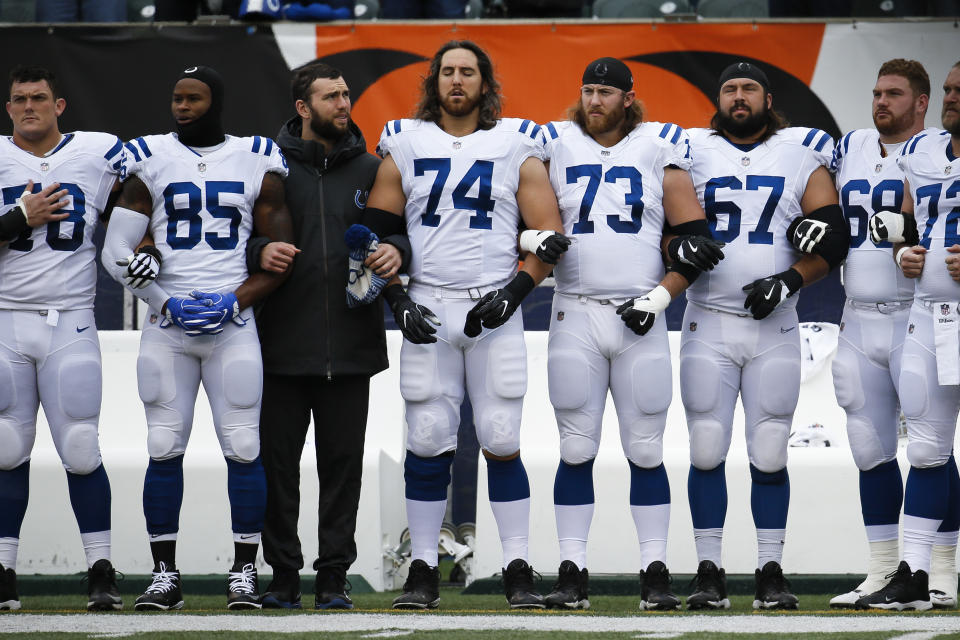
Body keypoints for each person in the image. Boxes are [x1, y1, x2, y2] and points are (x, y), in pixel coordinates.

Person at [362, 39, 567, 610]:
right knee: (426, 438)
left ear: (485, 82)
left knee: (502, 438)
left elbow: (548, 236)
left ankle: (517, 566)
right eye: (448, 71)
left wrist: (517, 294)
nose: (457, 81)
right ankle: (423, 567)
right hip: (428, 302)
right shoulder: (404, 143)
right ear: (434, 81)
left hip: (492, 305)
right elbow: (374, 235)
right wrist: (397, 300)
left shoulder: (516, 144)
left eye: (468, 72)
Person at [101, 65, 295, 611]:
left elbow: (281, 253)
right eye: (177, 98)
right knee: (163, 446)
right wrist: (165, 302)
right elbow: (115, 253)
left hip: (232, 322)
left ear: (216, 101)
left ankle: (243, 572)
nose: (182, 107)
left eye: (194, 98)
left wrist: (236, 299)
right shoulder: (150, 159)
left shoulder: (256, 158)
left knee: (244, 446)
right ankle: (164, 574)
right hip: (168, 325)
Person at [537, 57, 723, 611]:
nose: (595, 101)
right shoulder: (553, 142)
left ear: (628, 96)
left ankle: (655, 572)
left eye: (605, 92)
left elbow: (697, 242)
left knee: (645, 450)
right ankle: (572, 573)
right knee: (575, 448)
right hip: (574, 309)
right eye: (587, 90)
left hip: (638, 312)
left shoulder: (660, 145)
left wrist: (660, 295)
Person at [681, 61, 848, 610]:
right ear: (719, 98)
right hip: (708, 317)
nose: (738, 96)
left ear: (768, 98)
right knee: (706, 449)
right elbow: (669, 228)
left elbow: (832, 239)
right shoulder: (690, 150)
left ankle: (770, 571)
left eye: (748, 88)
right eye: (728, 88)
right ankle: (709, 570)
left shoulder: (801, 150)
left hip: (774, 323)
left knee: (771, 450)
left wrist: (790, 277)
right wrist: (678, 252)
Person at [244, 61, 408, 610]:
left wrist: (397, 251)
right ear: (302, 107)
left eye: (346, 95)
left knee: (343, 471)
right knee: (278, 471)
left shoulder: (373, 167)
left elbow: (399, 233)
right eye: (331, 96)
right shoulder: (265, 165)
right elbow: (237, 237)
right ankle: (283, 577)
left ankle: (333, 576)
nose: (343, 104)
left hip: (352, 345)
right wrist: (255, 252)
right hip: (278, 345)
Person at [0, 65, 126, 612]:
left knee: (80, 446)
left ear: (61, 105)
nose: (29, 106)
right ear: (8, 108)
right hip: (5, 316)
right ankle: (4, 571)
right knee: (6, 449)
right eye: (19, 99)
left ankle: (100, 568)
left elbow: (148, 198)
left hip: (71, 317)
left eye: (39, 98)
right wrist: (16, 219)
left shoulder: (100, 152)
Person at [828, 59, 952, 609]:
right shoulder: (847, 146)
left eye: (894, 94)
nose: (880, 102)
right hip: (859, 311)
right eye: (876, 92)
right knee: (868, 446)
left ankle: (940, 568)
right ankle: (884, 569)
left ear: (920, 102)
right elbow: (905, 227)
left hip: (916, 313)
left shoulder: (927, 151)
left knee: (931, 445)